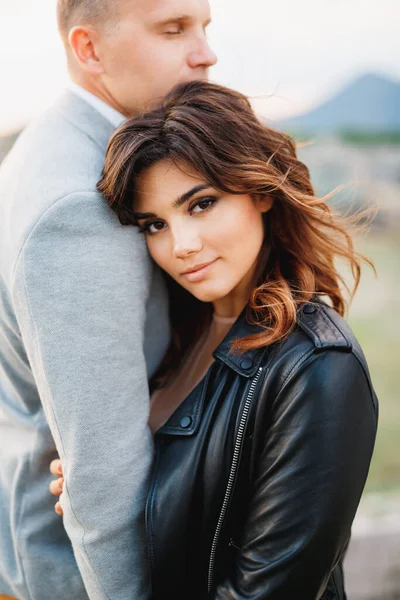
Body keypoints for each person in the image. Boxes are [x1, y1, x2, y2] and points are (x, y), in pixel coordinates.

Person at [51, 81, 379, 599]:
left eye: (201, 204)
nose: (181, 245)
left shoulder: (317, 367)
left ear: (262, 192)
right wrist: (100, 484)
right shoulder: (174, 335)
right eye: (154, 224)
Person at [0, 0, 216, 598]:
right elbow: (102, 478)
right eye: (173, 29)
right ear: (89, 49)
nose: (205, 53)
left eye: (204, 28)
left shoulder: (61, 142)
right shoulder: (79, 201)